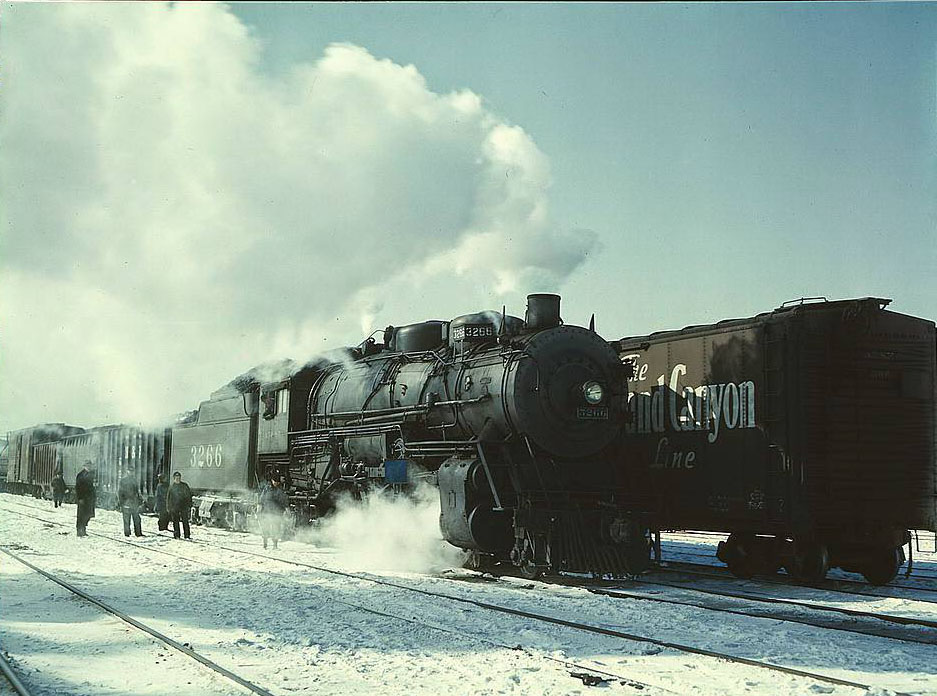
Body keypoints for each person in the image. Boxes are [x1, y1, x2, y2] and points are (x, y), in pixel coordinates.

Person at [259, 476, 289, 550]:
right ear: (272, 481)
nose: (275, 483)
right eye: (274, 481)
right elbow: (261, 500)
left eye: (277, 482)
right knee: (265, 528)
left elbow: (284, 501)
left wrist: (287, 509)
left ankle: (275, 545)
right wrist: (259, 509)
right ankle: (265, 544)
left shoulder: (280, 490)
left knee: (276, 529)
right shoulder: (266, 489)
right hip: (267, 511)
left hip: (276, 513)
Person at [118, 466, 144, 537]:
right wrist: (121, 503)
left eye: (132, 471)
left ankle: (138, 533)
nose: (131, 472)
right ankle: (127, 533)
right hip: (126, 501)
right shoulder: (123, 480)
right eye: (130, 471)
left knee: (137, 519)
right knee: (127, 519)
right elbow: (120, 492)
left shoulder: (134, 480)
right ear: (127, 471)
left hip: (134, 502)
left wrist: (139, 500)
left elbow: (137, 492)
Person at [167, 471, 192, 539]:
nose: (178, 479)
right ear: (174, 478)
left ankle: (187, 535)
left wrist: (189, 504)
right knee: (175, 521)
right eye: (176, 477)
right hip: (175, 507)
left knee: (185, 521)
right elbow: (169, 498)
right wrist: (169, 507)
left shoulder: (184, 486)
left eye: (179, 477)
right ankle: (177, 535)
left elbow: (189, 495)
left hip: (183, 506)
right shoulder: (171, 487)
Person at [75, 462, 96, 537]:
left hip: (89, 499)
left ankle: (83, 529)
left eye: (90, 466)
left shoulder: (92, 475)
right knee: (81, 515)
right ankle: (79, 530)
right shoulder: (80, 475)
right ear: (84, 467)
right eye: (87, 466)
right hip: (83, 498)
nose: (89, 467)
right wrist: (80, 498)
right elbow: (78, 488)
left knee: (88, 515)